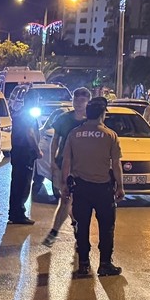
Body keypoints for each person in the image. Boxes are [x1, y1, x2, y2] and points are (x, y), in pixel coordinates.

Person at [60, 96, 124, 278]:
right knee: (106, 227)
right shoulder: (110, 135)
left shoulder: (74, 134)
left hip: (81, 188)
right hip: (103, 189)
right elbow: (116, 164)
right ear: (102, 114)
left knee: (82, 226)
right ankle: (105, 264)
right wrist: (120, 186)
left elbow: (66, 161)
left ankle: (83, 264)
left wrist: (64, 184)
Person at [41, 86, 92, 247]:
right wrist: (52, 162)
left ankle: (59, 231)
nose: (78, 103)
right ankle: (67, 228)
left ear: (88, 102)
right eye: (76, 100)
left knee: (71, 201)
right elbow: (55, 140)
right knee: (66, 199)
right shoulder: (64, 119)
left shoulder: (91, 121)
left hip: (83, 167)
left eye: (82, 100)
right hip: (65, 165)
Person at [8, 97, 41, 224]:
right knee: (24, 184)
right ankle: (19, 214)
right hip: (25, 153)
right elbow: (30, 133)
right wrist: (37, 150)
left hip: (17, 152)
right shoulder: (29, 116)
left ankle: (13, 213)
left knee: (16, 183)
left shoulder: (18, 114)